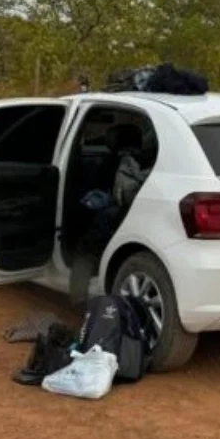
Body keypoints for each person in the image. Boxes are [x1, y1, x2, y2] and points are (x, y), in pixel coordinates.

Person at [69, 125, 150, 304]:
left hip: (114, 217)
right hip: (141, 219)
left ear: (116, 141)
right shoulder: (150, 160)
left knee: (85, 251)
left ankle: (78, 300)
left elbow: (96, 190)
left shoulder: (112, 162)